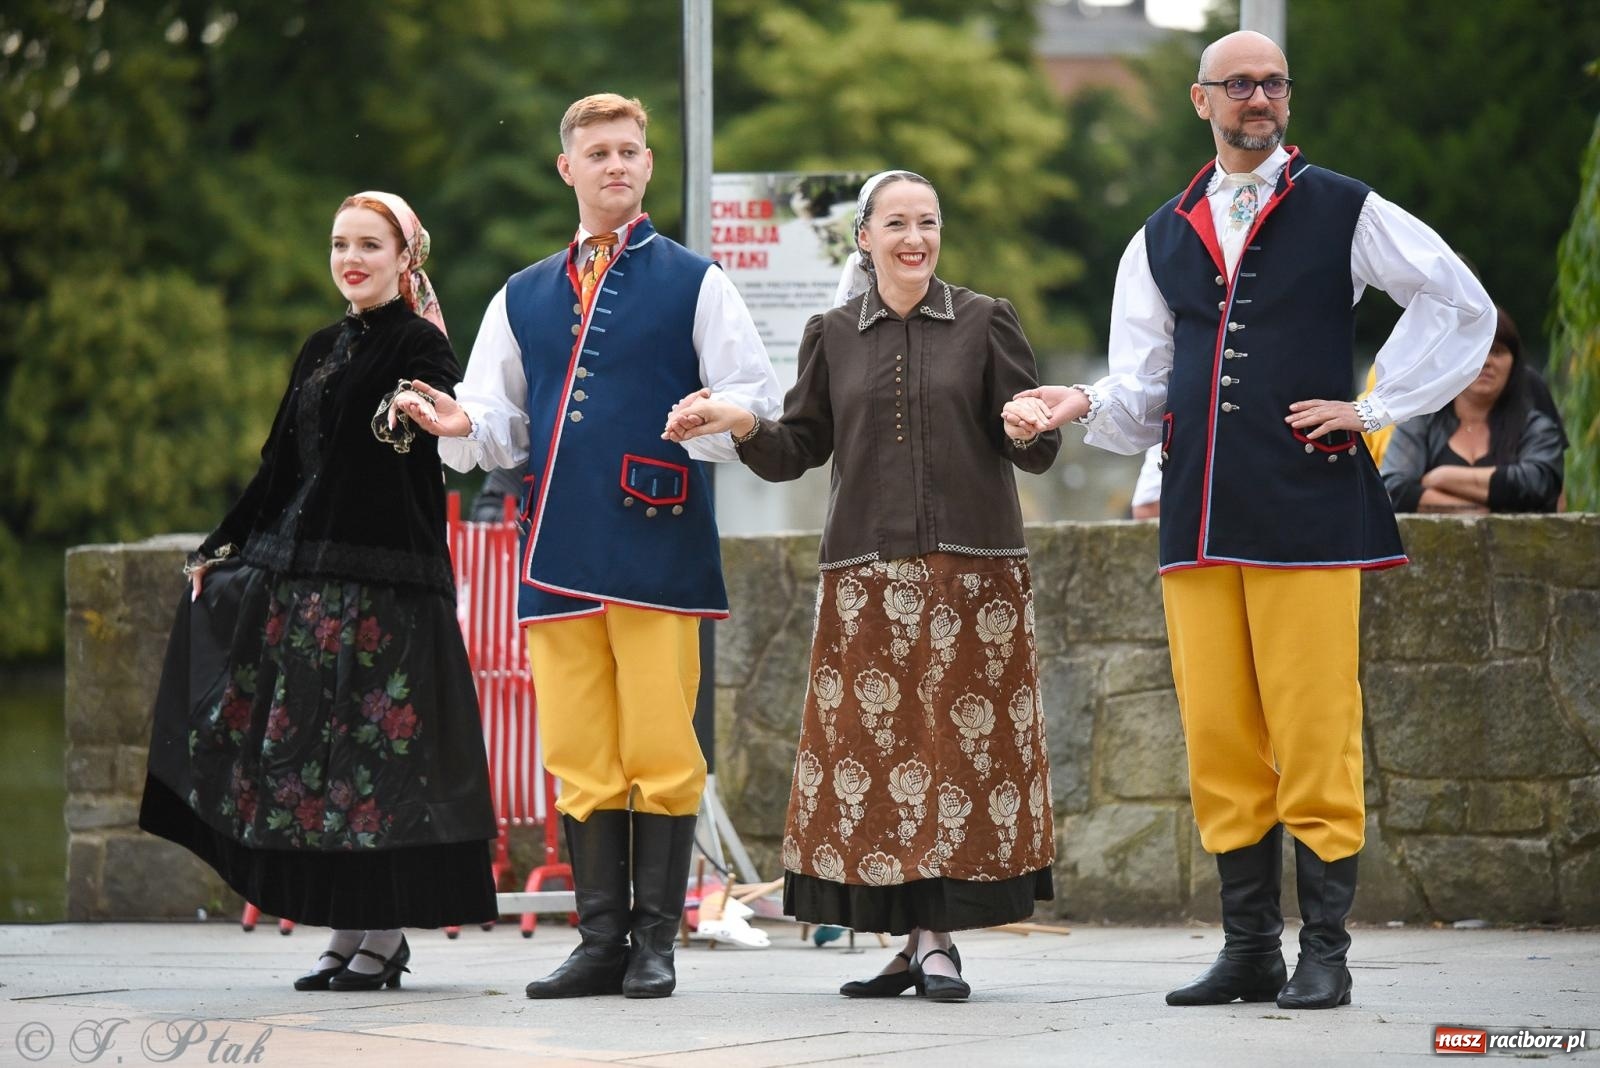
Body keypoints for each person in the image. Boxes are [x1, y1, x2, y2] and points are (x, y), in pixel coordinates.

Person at [1009, 31, 1494, 1011]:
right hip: (1194, 512)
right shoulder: (1158, 232)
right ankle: (1247, 950)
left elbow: (1454, 298)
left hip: (1309, 505)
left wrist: (1374, 403)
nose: (1258, 97)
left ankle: (1324, 950)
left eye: (1272, 82)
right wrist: (1081, 403)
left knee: (1313, 729)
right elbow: (1147, 380)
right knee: (1221, 735)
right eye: (1239, 85)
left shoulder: (1340, 205)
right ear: (1202, 102)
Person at [392, 93, 782, 1000]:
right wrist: (460, 420)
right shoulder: (521, 293)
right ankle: (600, 942)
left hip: (658, 543)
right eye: (598, 152)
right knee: (577, 752)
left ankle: (656, 945)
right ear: (567, 169)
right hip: (553, 550)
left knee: (662, 749)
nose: (617, 164)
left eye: (631, 151)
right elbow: (499, 421)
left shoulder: (699, 281)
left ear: (648, 165)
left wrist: (723, 416)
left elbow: (752, 398)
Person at [664, 170, 1061, 1003]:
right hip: (865, 581)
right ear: (865, 238)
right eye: (897, 224)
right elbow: (797, 447)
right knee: (877, 760)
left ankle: (936, 941)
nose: (915, 238)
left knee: (956, 761)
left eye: (929, 223)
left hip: (970, 578)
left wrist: (1032, 423)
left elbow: (1031, 447)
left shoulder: (987, 321)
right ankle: (914, 943)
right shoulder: (833, 333)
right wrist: (739, 423)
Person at [139, 192, 498, 992]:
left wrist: (423, 413)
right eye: (341, 244)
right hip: (306, 597)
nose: (352, 258)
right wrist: (222, 545)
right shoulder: (318, 348)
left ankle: (383, 936)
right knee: (318, 773)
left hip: (387, 598)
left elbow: (443, 413)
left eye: (371, 244)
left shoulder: (420, 346)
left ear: (407, 258)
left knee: (374, 770)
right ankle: (348, 934)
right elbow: (279, 466)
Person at [1382, 307, 1566, 513]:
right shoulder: (1420, 421)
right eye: (1475, 350)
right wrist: (1473, 511)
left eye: (1497, 351)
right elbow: (1393, 490)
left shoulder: (1537, 427)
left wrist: (1444, 477)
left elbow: (1540, 485)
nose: (1486, 361)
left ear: (1514, 364)